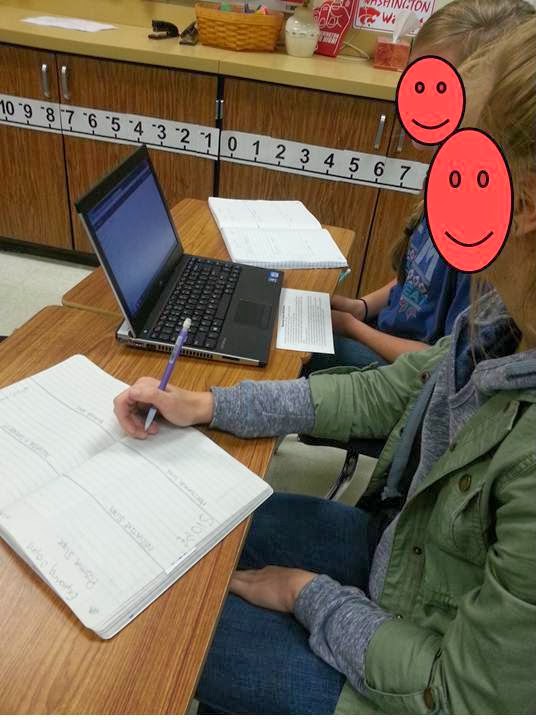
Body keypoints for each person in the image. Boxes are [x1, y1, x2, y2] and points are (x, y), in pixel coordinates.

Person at [114, 16, 536, 714]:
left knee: (157, 635)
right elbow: (383, 394)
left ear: (522, 205)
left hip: (405, 681)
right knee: (192, 529)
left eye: (466, 162)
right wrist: (212, 405)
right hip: (398, 562)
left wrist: (307, 594)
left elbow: (459, 696)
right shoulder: (497, 324)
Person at [306, 0, 536, 372]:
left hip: (413, 369)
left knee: (298, 351)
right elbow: (416, 282)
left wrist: (352, 328)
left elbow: (445, 363)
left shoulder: (487, 230)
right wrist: (362, 308)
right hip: (389, 339)